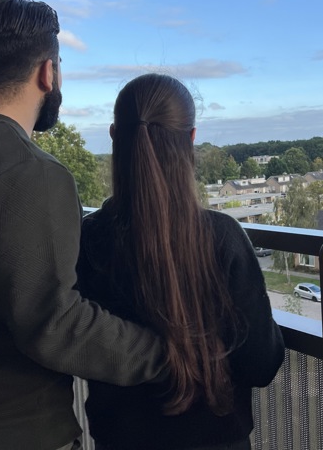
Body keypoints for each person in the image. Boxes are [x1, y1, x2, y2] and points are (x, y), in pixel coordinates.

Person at [0, 0, 167, 450]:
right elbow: (54, 322)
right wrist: (167, 357)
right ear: (48, 72)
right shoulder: (29, 172)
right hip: (10, 432)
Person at [76, 73, 285, 450]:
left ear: (114, 136)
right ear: (191, 138)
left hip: (120, 440)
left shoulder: (87, 239)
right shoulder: (222, 238)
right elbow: (261, 365)